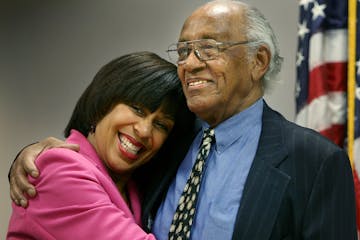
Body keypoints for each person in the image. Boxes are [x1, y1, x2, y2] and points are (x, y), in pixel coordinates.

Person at [9, 1, 357, 239]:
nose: (189, 63)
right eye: (183, 51)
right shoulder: (168, 144)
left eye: (208, 48)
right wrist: (36, 155)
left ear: (258, 61)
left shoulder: (316, 162)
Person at [7, 51, 195, 239]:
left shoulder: (134, 188)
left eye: (161, 125)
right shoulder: (60, 169)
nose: (145, 131)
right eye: (137, 109)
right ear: (104, 102)